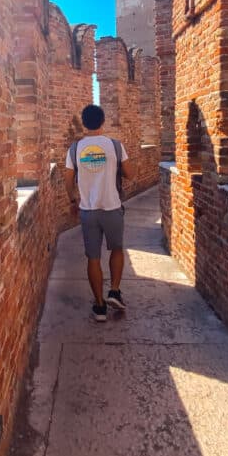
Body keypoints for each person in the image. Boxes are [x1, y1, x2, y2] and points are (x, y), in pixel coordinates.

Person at [64, 104, 133, 322]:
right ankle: (114, 290)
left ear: (84, 123)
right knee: (117, 249)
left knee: (93, 257)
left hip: (88, 211)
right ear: (102, 121)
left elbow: (67, 181)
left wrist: (73, 200)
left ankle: (100, 306)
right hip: (112, 207)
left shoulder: (74, 149)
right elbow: (130, 174)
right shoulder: (115, 145)